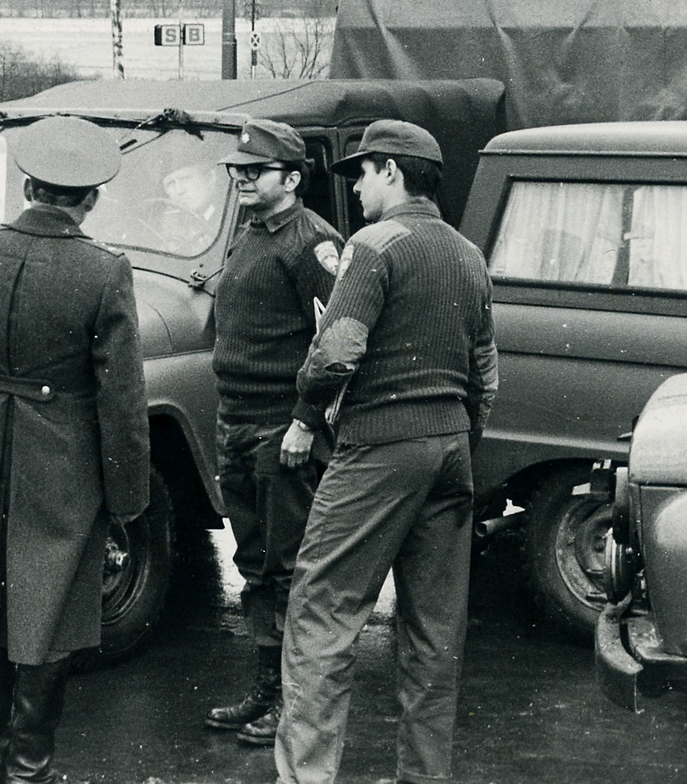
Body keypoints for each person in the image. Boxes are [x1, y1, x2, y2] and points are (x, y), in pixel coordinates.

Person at [0, 115, 150, 784]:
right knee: (48, 612)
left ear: (26, 186)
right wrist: (126, 496)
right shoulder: (105, 271)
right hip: (63, 464)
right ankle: (28, 769)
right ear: (90, 199)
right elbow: (122, 400)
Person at [275, 119, 498, 784]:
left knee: (323, 613)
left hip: (378, 447)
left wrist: (307, 411)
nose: (357, 189)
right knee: (434, 634)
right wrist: (456, 440)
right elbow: (486, 376)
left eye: (364, 174)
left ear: (392, 172)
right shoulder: (469, 255)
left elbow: (337, 351)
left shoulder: (373, 245)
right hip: (450, 448)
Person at [204, 118, 342, 747]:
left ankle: (293, 702)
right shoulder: (251, 233)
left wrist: (305, 422)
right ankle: (267, 686)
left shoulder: (313, 243)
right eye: (238, 169)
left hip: (280, 430)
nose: (242, 178)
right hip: (237, 422)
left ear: (291, 179)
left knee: (290, 570)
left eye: (254, 171)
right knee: (255, 564)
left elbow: (336, 344)